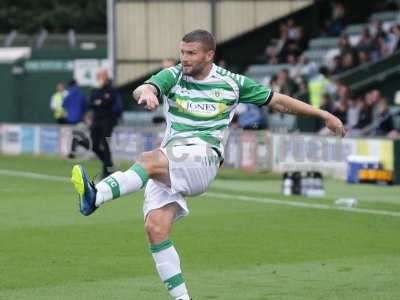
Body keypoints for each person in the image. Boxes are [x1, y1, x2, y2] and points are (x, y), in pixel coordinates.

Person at [70, 29, 345, 300]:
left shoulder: (232, 83)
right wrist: (148, 93)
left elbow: (279, 102)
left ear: (209, 55)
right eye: (182, 52)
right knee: (156, 228)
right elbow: (145, 87)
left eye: (191, 53)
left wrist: (323, 115)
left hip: (204, 157)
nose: (185, 58)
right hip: (173, 159)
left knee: (147, 160)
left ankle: (97, 195)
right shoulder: (175, 75)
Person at [88, 68, 121, 178]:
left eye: (101, 75)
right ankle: (109, 165)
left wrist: (100, 102)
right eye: (99, 75)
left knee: (105, 144)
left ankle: (107, 171)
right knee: (94, 145)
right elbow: (91, 102)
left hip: (107, 120)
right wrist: (100, 102)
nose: (99, 77)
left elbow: (108, 102)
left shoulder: (111, 89)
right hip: (96, 119)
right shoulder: (95, 89)